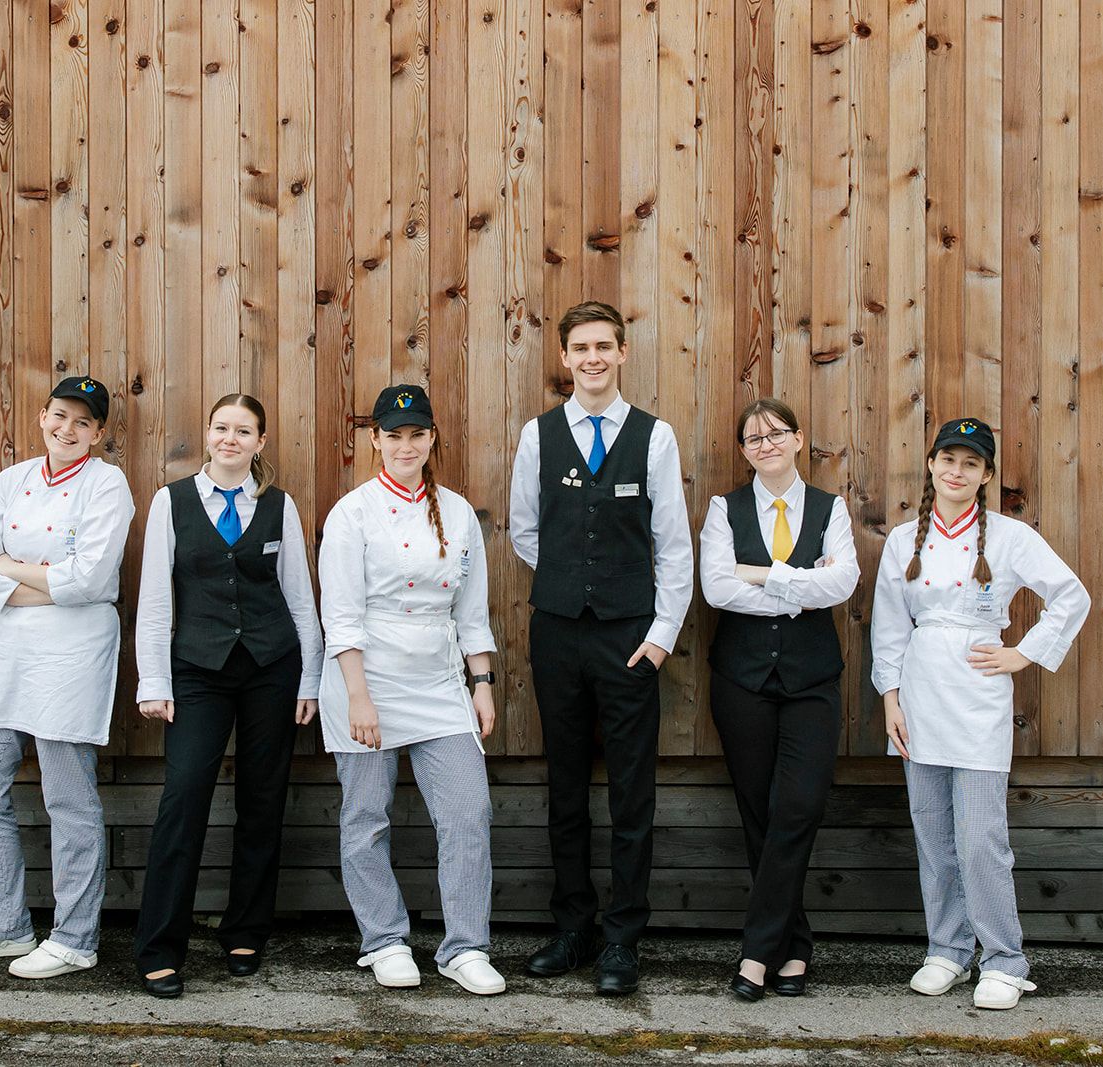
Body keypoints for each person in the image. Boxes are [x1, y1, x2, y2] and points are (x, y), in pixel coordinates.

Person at [870, 417, 1089, 1011]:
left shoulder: (1012, 538)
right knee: (933, 834)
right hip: (918, 696)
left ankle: (1004, 959)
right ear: (932, 464)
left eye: (970, 463)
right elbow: (890, 625)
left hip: (977, 697)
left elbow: (1071, 595)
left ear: (986, 474)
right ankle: (947, 949)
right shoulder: (901, 541)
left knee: (980, 838)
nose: (956, 471)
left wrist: (1023, 653)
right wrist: (889, 697)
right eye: (948, 459)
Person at [510, 300, 694, 996]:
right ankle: (572, 927)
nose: (591, 357)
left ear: (622, 354)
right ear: (565, 358)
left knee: (630, 791)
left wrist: (657, 637)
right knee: (563, 786)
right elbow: (527, 531)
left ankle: (622, 938)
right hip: (557, 632)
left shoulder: (654, 436)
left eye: (603, 346)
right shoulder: (540, 434)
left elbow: (673, 546)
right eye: (579, 347)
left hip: (629, 638)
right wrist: (568, 580)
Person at [129, 393, 324, 998]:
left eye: (244, 431)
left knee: (262, 802)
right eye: (221, 428)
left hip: (271, 668)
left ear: (260, 442)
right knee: (183, 799)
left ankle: (246, 931)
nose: (231, 439)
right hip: (198, 670)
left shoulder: (280, 506)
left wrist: (310, 679)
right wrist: (154, 680)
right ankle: (160, 947)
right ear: (208, 435)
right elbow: (156, 597)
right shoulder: (172, 502)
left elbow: (299, 598)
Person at [317, 384, 505, 997]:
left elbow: (471, 612)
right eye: (392, 434)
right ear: (376, 439)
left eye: (416, 434)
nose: (405, 445)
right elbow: (340, 616)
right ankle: (384, 939)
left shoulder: (455, 512)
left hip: (439, 678)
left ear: (431, 438)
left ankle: (465, 946)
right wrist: (358, 696)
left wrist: (481, 682)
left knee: (466, 813)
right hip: (365, 674)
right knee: (366, 816)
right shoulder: (352, 512)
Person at [0, 376, 135, 979]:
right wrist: (43, 580)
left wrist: (15, 570)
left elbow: (90, 580)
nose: (68, 430)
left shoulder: (108, 484)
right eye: (60, 416)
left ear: (99, 433)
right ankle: (3, 925)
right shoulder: (12, 480)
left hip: (75, 653)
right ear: (42, 416)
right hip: (12, 650)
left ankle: (75, 938)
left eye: (83, 422)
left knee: (68, 797)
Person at [699, 397, 859, 1001]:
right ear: (743, 452)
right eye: (752, 438)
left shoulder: (830, 508)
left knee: (799, 806)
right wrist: (800, 587)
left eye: (776, 434)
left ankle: (755, 954)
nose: (765, 444)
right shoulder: (725, 508)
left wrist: (763, 575)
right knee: (758, 813)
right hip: (742, 682)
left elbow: (842, 582)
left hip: (811, 681)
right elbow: (716, 587)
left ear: (797, 440)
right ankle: (793, 949)